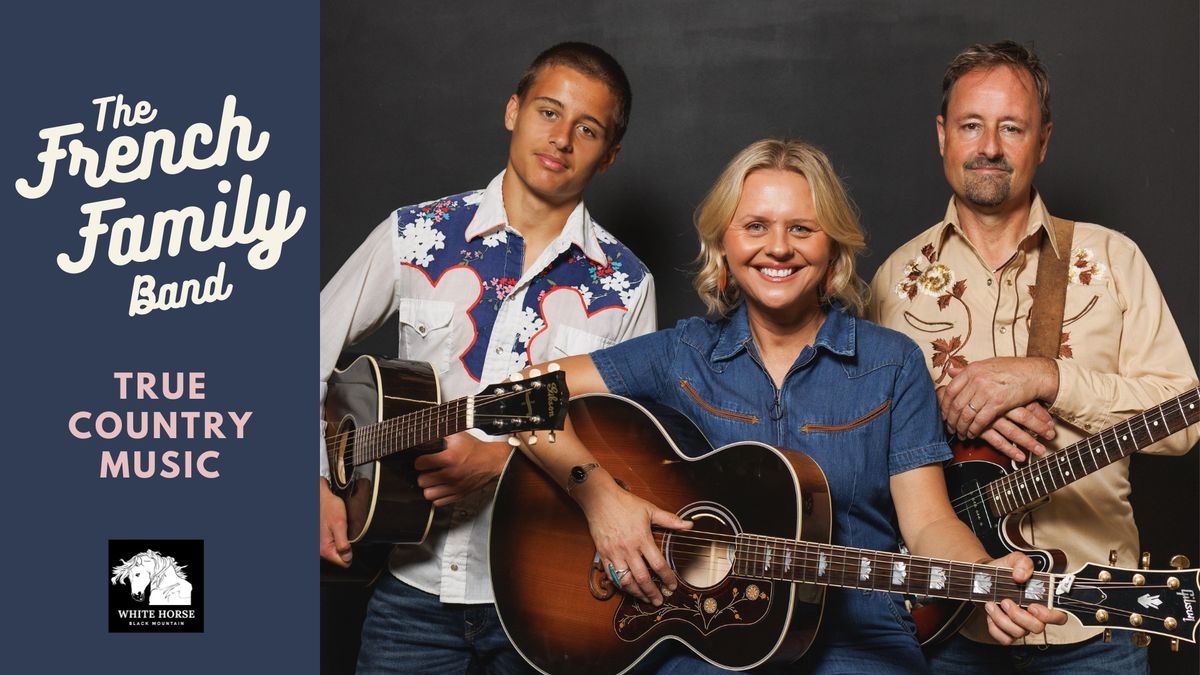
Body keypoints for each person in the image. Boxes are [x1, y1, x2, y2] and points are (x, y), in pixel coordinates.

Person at [514, 138, 1064, 674]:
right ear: (724, 243)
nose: (778, 247)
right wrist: (600, 498)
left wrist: (985, 578)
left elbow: (929, 523)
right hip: (699, 643)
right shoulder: (682, 353)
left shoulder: (892, 363)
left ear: (833, 246)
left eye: (801, 228)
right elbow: (516, 399)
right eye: (755, 226)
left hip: (858, 642)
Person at [318, 42, 657, 673]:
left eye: (587, 129)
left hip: (547, 598)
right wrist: (314, 479)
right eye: (548, 113)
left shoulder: (626, 287)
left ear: (609, 155)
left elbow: (625, 446)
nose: (561, 139)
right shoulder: (416, 234)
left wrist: (505, 460)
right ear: (513, 111)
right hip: (407, 588)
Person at [868, 41, 1199, 673]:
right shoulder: (892, 280)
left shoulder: (1113, 261)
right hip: (944, 627)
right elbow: (859, 447)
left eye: (1011, 127)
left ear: (1042, 141)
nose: (989, 145)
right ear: (943, 135)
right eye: (971, 125)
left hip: (1095, 625)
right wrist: (940, 415)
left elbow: (1186, 420)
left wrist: (1050, 377)